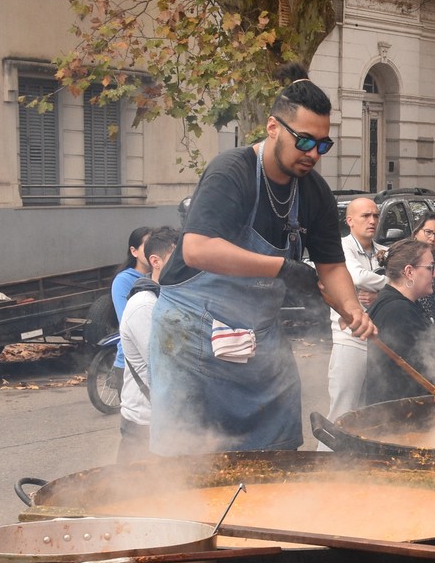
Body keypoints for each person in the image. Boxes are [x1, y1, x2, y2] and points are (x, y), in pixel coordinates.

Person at [150, 66, 376, 454]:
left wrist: (352, 308)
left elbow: (332, 265)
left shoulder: (315, 192)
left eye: (323, 145)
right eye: (304, 141)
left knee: (278, 448)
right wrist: (282, 268)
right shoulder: (232, 171)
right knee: (189, 461)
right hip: (190, 333)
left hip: (257, 333)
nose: (313, 154)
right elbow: (197, 248)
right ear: (273, 127)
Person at [116, 227, 178, 461]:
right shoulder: (144, 305)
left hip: (167, 423)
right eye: (178, 258)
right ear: (156, 261)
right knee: (136, 495)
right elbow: (161, 366)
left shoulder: (169, 298)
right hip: (144, 425)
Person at [325, 197, 386, 425]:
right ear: (350, 220)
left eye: (376, 215)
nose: (372, 220)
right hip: (349, 340)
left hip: (379, 341)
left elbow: (403, 286)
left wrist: (379, 293)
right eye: (365, 216)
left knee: (370, 413)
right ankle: (324, 459)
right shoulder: (342, 247)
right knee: (342, 412)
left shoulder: (384, 251)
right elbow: (357, 276)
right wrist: (389, 281)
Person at [363, 238, 435, 406]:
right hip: (396, 415)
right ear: (409, 272)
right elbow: (424, 372)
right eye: (430, 268)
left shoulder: (399, 303)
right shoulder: (399, 312)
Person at [110, 225, 154, 371]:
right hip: (131, 363)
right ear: (134, 251)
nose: (153, 252)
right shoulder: (123, 281)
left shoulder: (159, 276)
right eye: (147, 247)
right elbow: (126, 321)